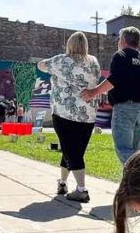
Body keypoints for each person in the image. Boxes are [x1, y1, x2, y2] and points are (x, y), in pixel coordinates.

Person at [38, 31, 101, 203]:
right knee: (73, 150)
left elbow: (41, 65)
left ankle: (81, 190)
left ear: (69, 45)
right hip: (87, 114)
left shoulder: (61, 60)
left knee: (71, 151)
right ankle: (63, 183)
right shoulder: (93, 61)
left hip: (64, 112)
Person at [80, 26, 140, 164]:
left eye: (119, 39)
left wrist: (93, 92)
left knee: (124, 150)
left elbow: (114, 79)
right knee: (136, 151)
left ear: (123, 40)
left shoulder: (120, 56)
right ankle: (133, 184)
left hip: (125, 109)